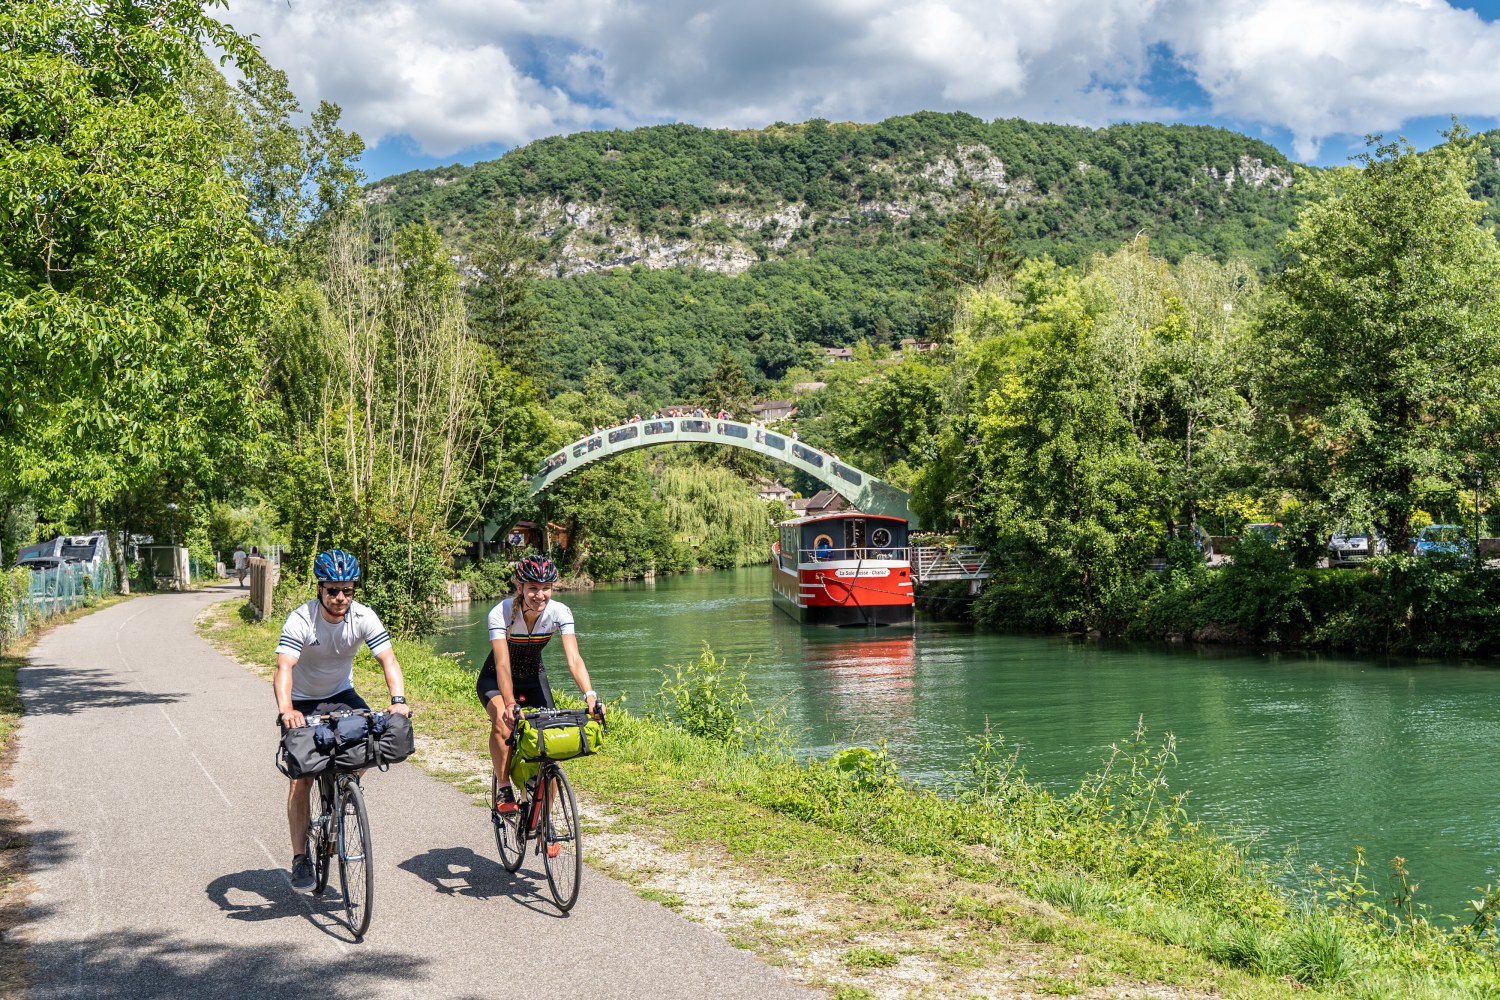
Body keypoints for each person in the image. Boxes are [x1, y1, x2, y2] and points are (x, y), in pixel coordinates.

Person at [273, 548, 410, 891]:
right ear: (320, 588)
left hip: (342, 695)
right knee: (301, 776)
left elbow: (388, 660)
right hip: (303, 699)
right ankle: (300, 857)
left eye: (347, 590)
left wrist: (398, 701)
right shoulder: (302, 619)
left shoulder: (363, 616)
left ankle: (346, 785)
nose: (339, 597)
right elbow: (284, 668)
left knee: (372, 739)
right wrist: (287, 709)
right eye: (332, 590)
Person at [478, 554, 600, 813]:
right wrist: (510, 703)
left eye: (546, 588)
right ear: (520, 587)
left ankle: (545, 818)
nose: (540, 595)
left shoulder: (559, 612)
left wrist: (589, 695)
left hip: (534, 678)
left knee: (552, 741)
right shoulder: (500, 613)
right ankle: (503, 788)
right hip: (496, 680)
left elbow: (574, 659)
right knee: (503, 722)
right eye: (533, 588)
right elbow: (502, 664)